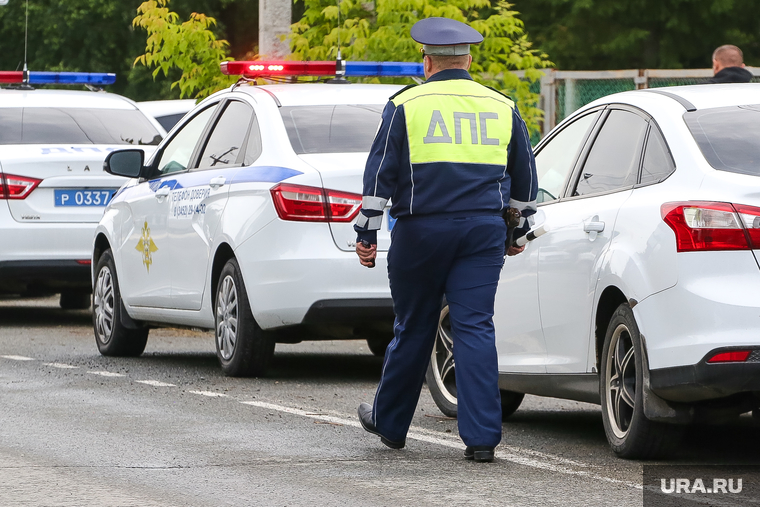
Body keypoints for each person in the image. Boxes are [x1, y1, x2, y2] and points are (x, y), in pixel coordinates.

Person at [353, 17, 538, 463]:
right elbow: (524, 179)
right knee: (475, 327)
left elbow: (381, 174)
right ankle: (481, 440)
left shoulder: (404, 104)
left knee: (413, 325)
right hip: (482, 232)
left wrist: (367, 231)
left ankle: (391, 425)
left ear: (427, 60)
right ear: (469, 60)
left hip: (422, 230)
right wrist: (517, 228)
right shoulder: (501, 104)